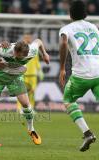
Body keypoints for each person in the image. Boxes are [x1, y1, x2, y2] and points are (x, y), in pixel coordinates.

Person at [0, 38, 50, 145]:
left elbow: (38, 41)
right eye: (15, 53)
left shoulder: (32, 51)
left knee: (25, 103)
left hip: (15, 77)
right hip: (0, 75)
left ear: (25, 55)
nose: (15, 56)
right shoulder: (5, 50)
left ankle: (31, 130)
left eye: (19, 56)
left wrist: (45, 54)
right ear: (14, 50)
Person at [59, 0, 97, 152]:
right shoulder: (93, 26)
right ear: (85, 12)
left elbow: (63, 44)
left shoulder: (67, 28)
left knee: (68, 101)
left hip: (82, 74)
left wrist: (62, 67)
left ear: (70, 13)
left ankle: (87, 133)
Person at [17, 33, 44, 109]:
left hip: (33, 74)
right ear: (23, 39)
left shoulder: (34, 49)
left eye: (29, 38)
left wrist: (40, 71)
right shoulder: (20, 48)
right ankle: (19, 108)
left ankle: (31, 108)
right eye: (26, 38)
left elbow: (37, 61)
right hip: (22, 74)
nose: (28, 39)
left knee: (32, 92)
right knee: (21, 92)